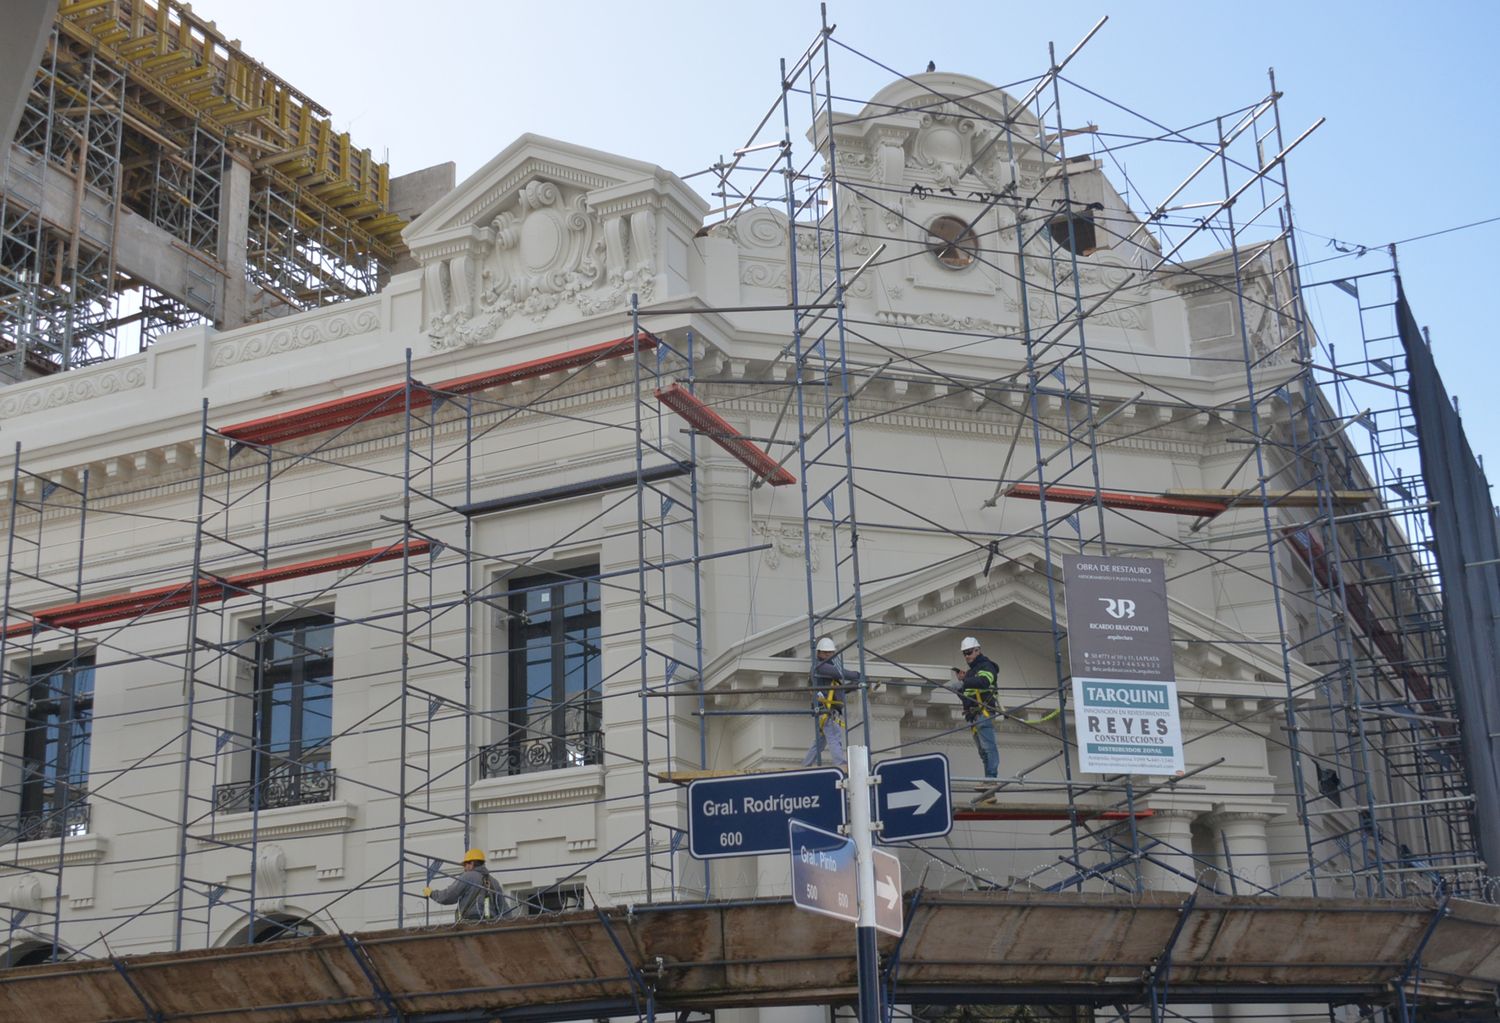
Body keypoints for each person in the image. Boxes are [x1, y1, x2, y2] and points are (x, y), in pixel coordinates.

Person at [801, 637, 862, 767]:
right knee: (834, 736)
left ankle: (806, 764)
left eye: (830, 653)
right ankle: (840, 764)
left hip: (827, 709)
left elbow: (839, 690)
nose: (828, 655)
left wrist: (854, 685)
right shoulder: (820, 667)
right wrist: (858, 676)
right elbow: (840, 673)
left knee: (820, 741)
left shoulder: (828, 672)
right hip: (826, 710)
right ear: (818, 653)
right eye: (825, 652)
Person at [951, 636, 1000, 779]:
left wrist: (965, 682)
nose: (966, 656)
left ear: (978, 650)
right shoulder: (971, 672)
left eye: (969, 652)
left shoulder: (986, 665)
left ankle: (991, 780)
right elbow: (968, 698)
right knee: (983, 752)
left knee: (988, 748)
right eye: (964, 653)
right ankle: (988, 781)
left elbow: (984, 681)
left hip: (983, 713)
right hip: (974, 717)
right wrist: (959, 689)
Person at [423, 847, 505, 921]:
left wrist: (432, 893)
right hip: (491, 925)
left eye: (465, 864)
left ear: (471, 863)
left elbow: (449, 895)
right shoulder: (494, 882)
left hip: (471, 923)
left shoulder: (468, 876)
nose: (464, 868)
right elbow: (504, 908)